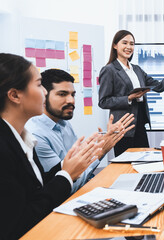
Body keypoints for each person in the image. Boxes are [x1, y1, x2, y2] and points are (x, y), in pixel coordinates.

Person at [0, 53, 103, 239]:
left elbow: (37, 189)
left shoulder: (22, 137)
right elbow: (19, 222)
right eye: (39, 85)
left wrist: (69, 166)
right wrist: (66, 174)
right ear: (15, 95)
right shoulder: (4, 149)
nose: (45, 92)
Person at [26, 69, 134, 193]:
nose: (71, 100)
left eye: (73, 94)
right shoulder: (37, 136)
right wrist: (101, 150)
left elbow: (80, 165)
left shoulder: (64, 124)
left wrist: (98, 146)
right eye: (62, 94)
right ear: (43, 95)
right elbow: (66, 187)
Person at [98, 30, 164, 156]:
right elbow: (103, 101)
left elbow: (159, 86)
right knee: (125, 167)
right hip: (123, 127)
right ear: (115, 45)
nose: (129, 47)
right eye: (125, 43)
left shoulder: (137, 69)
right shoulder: (109, 70)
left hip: (140, 123)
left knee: (144, 161)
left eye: (132, 44)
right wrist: (128, 98)